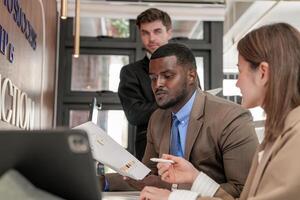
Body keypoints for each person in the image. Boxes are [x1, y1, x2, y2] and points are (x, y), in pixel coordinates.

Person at [140, 23, 300, 200]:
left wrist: (173, 198)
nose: (237, 83)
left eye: (240, 71)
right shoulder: (280, 132)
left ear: (262, 72)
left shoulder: (296, 135)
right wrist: (195, 177)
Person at [106, 43, 258, 197]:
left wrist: (175, 191)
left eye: (168, 76)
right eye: (153, 78)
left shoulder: (232, 117)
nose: (158, 84)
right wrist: (102, 181)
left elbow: (242, 190)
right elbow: (145, 177)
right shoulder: (157, 118)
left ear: (191, 76)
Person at [118, 8, 172, 160]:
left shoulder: (187, 67)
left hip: (189, 147)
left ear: (169, 32)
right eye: (145, 33)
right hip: (150, 150)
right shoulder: (130, 72)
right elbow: (134, 115)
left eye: (157, 31)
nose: (151, 38)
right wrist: (175, 102)